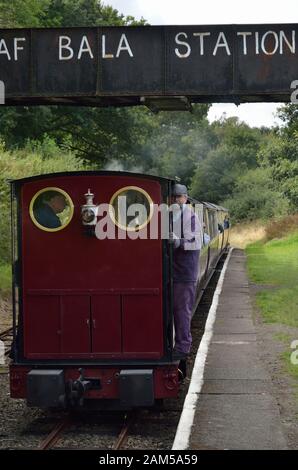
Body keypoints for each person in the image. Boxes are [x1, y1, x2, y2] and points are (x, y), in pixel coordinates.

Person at [170, 183, 202, 377]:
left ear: (185, 198)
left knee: (182, 312)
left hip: (184, 273)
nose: (175, 200)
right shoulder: (171, 217)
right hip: (173, 273)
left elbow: (194, 242)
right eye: (173, 198)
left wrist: (177, 241)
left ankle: (182, 348)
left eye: (178, 197)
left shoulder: (191, 217)